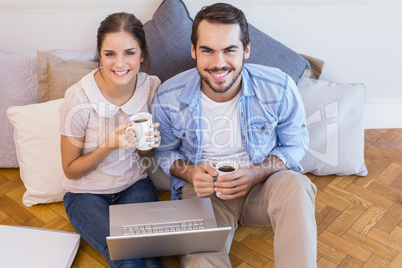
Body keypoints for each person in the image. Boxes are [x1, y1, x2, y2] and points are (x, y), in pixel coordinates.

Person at [152, 3, 317, 268]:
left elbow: (296, 144)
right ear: (193, 51)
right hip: (204, 193)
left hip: (264, 187)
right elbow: (163, 152)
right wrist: (191, 173)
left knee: (298, 186)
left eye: (229, 50)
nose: (219, 63)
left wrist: (256, 173)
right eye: (207, 51)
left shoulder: (279, 87)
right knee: (201, 259)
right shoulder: (168, 96)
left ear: (246, 50)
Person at [59, 12, 163, 268]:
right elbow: (70, 171)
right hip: (85, 195)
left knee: (149, 253)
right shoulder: (78, 99)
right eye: (110, 54)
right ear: (99, 55)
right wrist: (109, 145)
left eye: (129, 52)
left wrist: (148, 144)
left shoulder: (151, 87)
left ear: (142, 55)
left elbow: (146, 157)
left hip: (135, 186)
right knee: (125, 253)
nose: (120, 63)